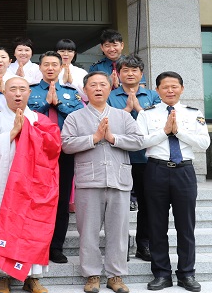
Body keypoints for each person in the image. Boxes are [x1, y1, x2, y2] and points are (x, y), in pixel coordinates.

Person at [61, 72, 144, 293]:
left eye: (103, 85)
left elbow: (138, 141)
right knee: (88, 231)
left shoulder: (123, 116)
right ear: (85, 91)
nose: (98, 88)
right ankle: (92, 275)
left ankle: (115, 275)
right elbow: (66, 145)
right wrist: (94, 139)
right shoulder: (75, 117)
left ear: (110, 89)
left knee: (118, 231)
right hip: (89, 181)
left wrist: (113, 138)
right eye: (93, 85)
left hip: (119, 179)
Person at [0, 76, 61, 293]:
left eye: (22, 89)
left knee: (32, 227)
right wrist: (13, 133)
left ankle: (32, 277)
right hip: (3, 183)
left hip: (34, 185)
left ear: (30, 93)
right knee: (1, 225)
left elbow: (53, 150)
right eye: (12, 89)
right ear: (3, 93)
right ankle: (2, 277)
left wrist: (31, 132)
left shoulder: (40, 120)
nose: (17, 94)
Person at [137, 72, 210, 292]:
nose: (170, 90)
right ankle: (161, 274)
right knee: (156, 225)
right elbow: (140, 141)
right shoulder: (147, 114)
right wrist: (164, 132)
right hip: (156, 170)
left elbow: (204, 142)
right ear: (157, 90)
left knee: (185, 226)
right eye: (165, 87)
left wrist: (179, 132)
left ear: (182, 88)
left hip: (184, 172)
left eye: (174, 86)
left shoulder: (194, 113)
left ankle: (187, 274)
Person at [27, 51, 83, 264]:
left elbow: (79, 116)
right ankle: (36, 246)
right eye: (46, 65)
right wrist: (44, 105)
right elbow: (24, 115)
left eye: (54, 65)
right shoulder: (30, 91)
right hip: (37, 152)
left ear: (61, 68)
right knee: (36, 199)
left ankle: (56, 247)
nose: (50, 68)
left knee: (60, 201)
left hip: (64, 152)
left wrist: (58, 104)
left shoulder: (71, 92)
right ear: (40, 68)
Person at [107, 54, 161, 262]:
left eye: (134, 70)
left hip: (146, 159)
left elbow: (157, 124)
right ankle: (121, 247)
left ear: (141, 73)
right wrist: (127, 110)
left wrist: (139, 109)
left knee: (147, 204)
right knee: (117, 204)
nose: (130, 74)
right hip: (119, 156)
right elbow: (108, 123)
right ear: (118, 74)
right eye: (125, 70)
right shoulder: (111, 96)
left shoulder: (152, 96)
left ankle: (143, 245)